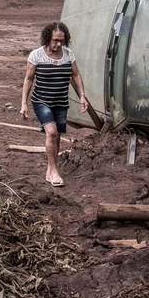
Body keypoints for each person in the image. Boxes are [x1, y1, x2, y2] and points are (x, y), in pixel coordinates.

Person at [20, 21, 90, 186]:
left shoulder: (68, 55)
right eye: (55, 40)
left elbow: (76, 75)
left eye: (62, 41)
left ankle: (51, 170)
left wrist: (82, 96)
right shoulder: (36, 55)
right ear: (47, 39)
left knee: (57, 135)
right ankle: (54, 171)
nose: (58, 44)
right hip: (41, 100)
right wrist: (23, 103)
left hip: (61, 101)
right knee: (51, 132)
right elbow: (29, 79)